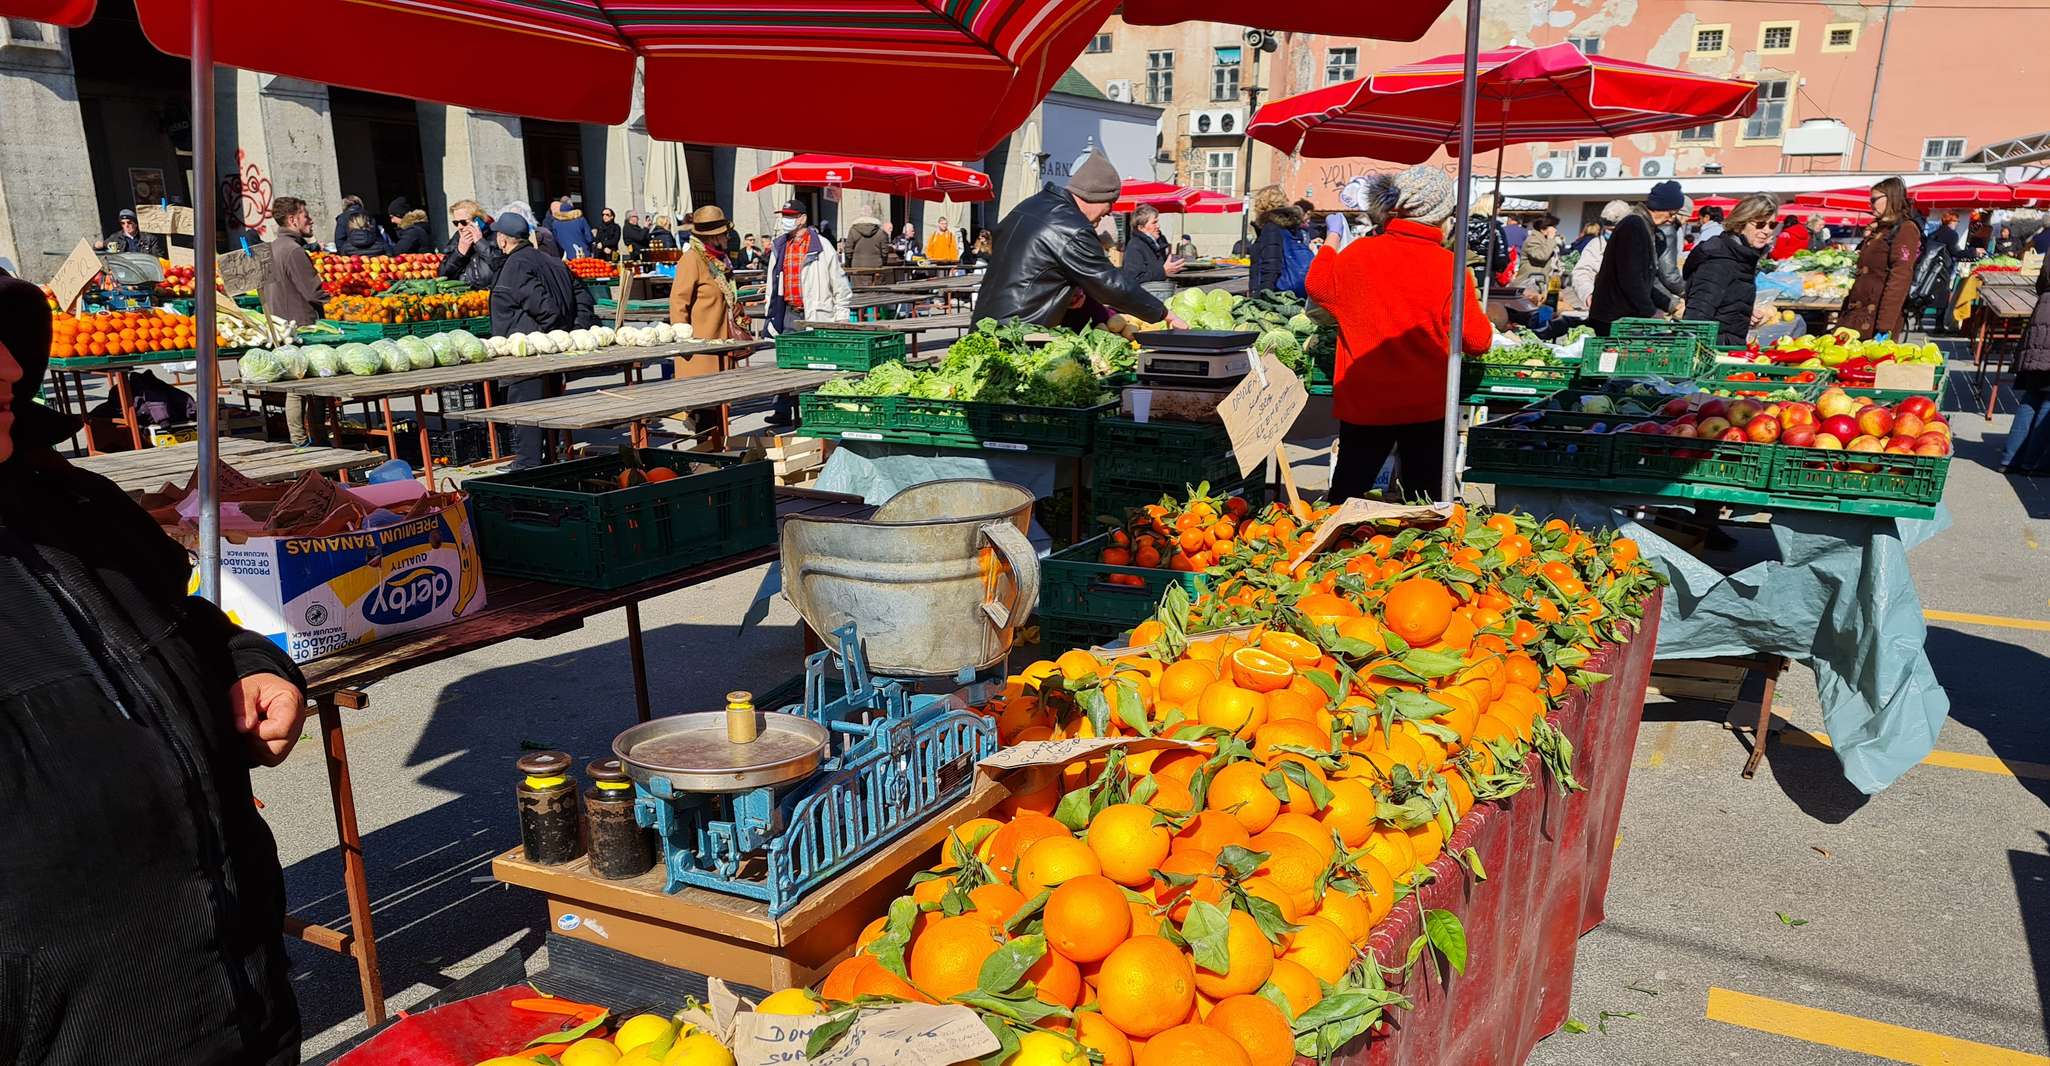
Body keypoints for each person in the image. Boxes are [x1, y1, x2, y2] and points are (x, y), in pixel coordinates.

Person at [0, 274, 309, 1063]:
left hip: (236, 988)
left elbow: (188, 620)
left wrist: (251, 662)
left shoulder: (70, 499)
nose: (8, 367)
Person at [1307, 165, 1490, 502]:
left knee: (1346, 500)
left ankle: (1336, 548)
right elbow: (1478, 342)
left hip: (1363, 403)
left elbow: (1317, 285)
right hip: (1425, 408)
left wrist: (1332, 238)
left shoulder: (1358, 253)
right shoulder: (1450, 267)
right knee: (1425, 507)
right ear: (1441, 214)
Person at [971, 149, 1175, 329]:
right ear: (1096, 196)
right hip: (1018, 330)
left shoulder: (1030, 205)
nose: (1109, 212)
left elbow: (1026, 265)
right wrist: (1163, 313)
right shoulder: (1071, 226)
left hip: (987, 322)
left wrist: (1064, 292)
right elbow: (1110, 284)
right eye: (1110, 203)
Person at [490, 211, 593, 466]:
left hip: (529, 356)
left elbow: (543, 306)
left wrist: (550, 333)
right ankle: (546, 462)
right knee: (549, 412)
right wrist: (570, 332)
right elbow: (583, 297)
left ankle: (528, 466)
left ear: (503, 240)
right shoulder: (552, 260)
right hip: (550, 351)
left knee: (528, 414)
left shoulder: (515, 265)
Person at [765, 200, 853, 424]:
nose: (785, 220)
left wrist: (842, 312)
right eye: (783, 215)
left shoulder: (822, 246)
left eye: (790, 215)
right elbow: (771, 281)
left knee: (814, 363)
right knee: (786, 363)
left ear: (802, 218)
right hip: (787, 311)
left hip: (815, 312)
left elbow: (840, 283)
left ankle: (813, 409)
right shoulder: (779, 246)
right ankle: (783, 409)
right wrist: (769, 311)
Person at [259, 196, 324, 448]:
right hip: (301, 324)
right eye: (306, 216)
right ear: (293, 219)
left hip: (281, 323)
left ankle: (304, 439)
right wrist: (340, 301)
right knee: (304, 387)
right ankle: (307, 440)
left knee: (295, 386)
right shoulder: (294, 250)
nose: (311, 220)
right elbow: (312, 292)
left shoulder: (273, 248)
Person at [1683, 195, 1782, 346]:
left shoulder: (1743, 257)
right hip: (1713, 352)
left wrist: (1744, 314)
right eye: (1760, 224)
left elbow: (1726, 302)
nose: (1767, 231)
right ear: (1740, 223)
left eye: (1772, 225)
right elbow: (1696, 319)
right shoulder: (1719, 261)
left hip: (1728, 345)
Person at [1588, 184, 1683, 334]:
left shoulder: (1645, 227)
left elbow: (1644, 281)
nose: (1671, 220)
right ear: (1659, 207)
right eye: (1671, 213)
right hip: (1614, 320)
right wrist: (1650, 312)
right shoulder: (1634, 226)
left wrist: (1669, 304)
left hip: (1621, 318)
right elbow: (1631, 278)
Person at [1839, 177, 1922, 338]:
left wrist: (1884, 325)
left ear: (1890, 198)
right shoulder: (1879, 230)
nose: (1870, 204)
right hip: (1856, 314)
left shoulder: (1905, 229)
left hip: (1875, 317)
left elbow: (1900, 277)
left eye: (1874, 199)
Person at [1999, 256, 2050, 474]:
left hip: (2043, 317)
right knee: (2048, 398)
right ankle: (2034, 462)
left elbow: (2041, 283)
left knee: (2033, 394)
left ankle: (2010, 459)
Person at [1567, 200, 1630, 315]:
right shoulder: (1596, 245)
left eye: (1613, 230)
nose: (1609, 233)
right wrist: (1588, 295)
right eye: (1607, 229)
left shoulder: (1637, 245)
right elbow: (1582, 272)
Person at [1249, 184, 1309, 295]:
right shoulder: (1292, 227)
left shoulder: (1271, 227)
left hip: (1276, 293)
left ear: (1262, 203)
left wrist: (1264, 295)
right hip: (1293, 291)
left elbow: (1271, 264)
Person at [439, 199, 505, 290]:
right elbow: (443, 274)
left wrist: (480, 243)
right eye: (456, 223)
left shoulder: (495, 236)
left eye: (463, 222)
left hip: (490, 294)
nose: (460, 227)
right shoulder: (456, 240)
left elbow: (502, 266)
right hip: (465, 296)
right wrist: (459, 253)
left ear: (477, 221)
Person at [1121, 204, 1184, 296]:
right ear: (1141, 227)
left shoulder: (1157, 244)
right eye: (1154, 223)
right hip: (1143, 299)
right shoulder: (1135, 247)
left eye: (1157, 222)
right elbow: (1133, 278)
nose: (1158, 226)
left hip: (1157, 295)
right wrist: (1163, 271)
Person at [1650, 188, 1688, 311]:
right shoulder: (1667, 230)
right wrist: (1685, 293)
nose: (1686, 220)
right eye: (1687, 216)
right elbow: (1668, 275)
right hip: (1656, 296)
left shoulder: (1664, 229)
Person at [1463, 193, 1509, 281]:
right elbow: (1501, 256)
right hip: (1485, 273)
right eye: (1498, 207)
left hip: (1461, 272)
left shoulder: (1461, 225)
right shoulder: (1494, 227)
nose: (1500, 210)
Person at [1513, 213, 1561, 293]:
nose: (1555, 230)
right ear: (1543, 229)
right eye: (1553, 227)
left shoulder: (1545, 241)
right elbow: (1541, 256)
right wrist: (1550, 239)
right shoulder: (1533, 240)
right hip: (1527, 286)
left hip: (1539, 286)